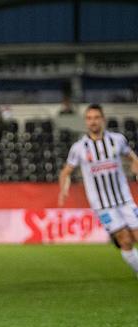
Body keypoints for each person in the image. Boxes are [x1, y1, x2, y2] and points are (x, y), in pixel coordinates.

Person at [59, 104, 138, 277]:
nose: (93, 121)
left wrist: (135, 165)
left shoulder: (117, 139)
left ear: (103, 119)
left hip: (125, 199)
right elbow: (66, 171)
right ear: (85, 122)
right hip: (103, 206)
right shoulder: (79, 148)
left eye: (96, 117)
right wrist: (63, 190)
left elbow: (132, 156)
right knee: (125, 240)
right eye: (89, 118)